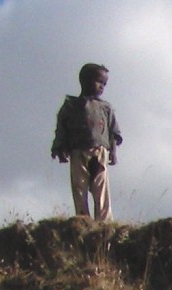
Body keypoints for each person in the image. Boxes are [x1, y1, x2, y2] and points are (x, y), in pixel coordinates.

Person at [51, 63, 123, 221]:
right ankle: (82, 220)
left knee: (101, 187)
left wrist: (113, 152)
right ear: (84, 81)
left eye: (104, 84)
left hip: (100, 152)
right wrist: (60, 148)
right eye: (99, 81)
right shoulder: (71, 105)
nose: (102, 86)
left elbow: (113, 132)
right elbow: (62, 128)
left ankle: (104, 221)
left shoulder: (105, 107)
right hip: (78, 152)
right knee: (79, 186)